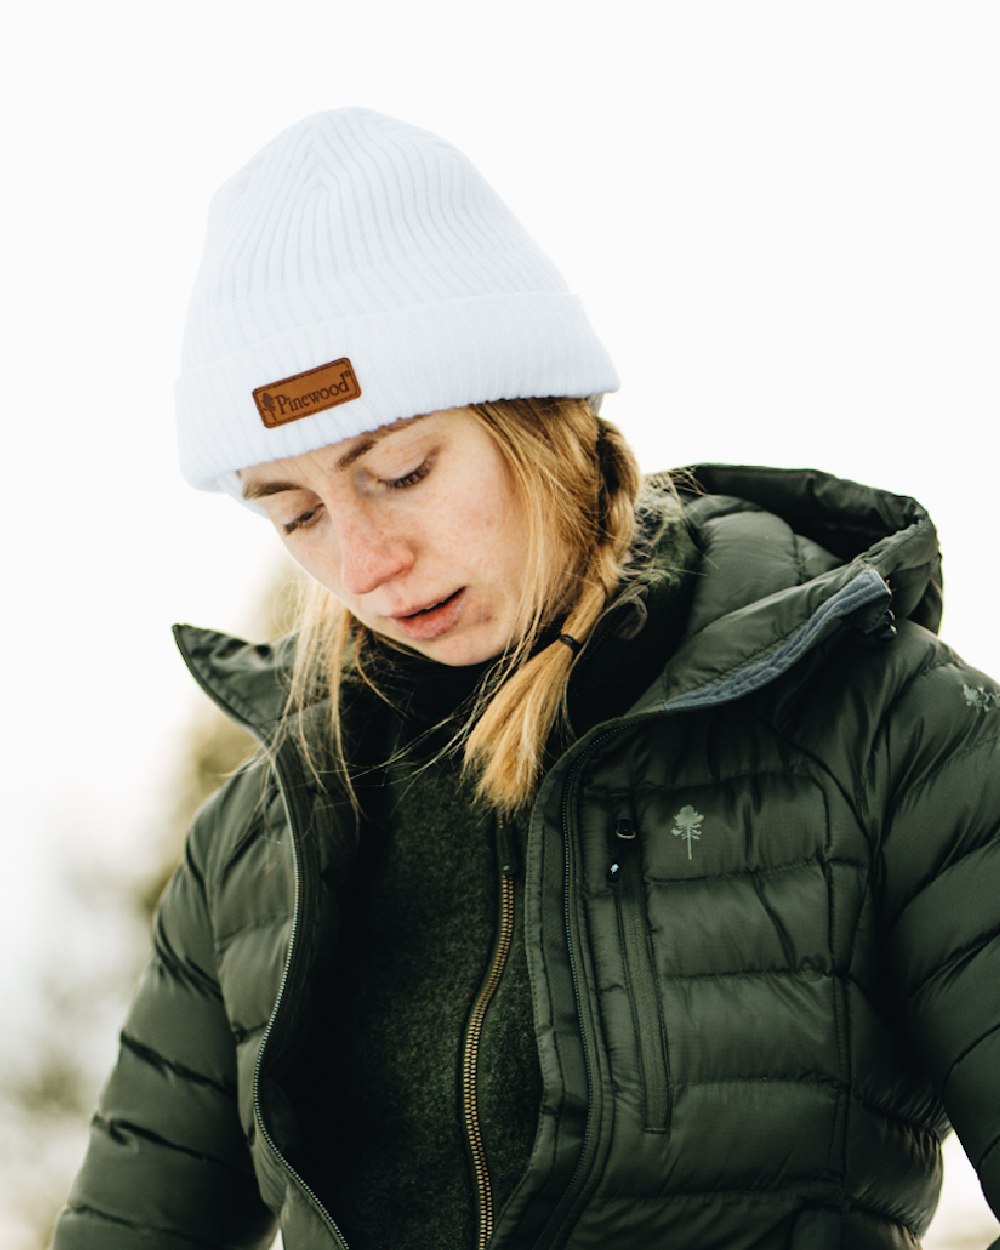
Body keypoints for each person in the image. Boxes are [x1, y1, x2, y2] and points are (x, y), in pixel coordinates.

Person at [52, 108, 1000, 1250]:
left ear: (536, 410)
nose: (361, 564)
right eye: (293, 510)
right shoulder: (263, 843)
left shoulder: (887, 727)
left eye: (399, 470)